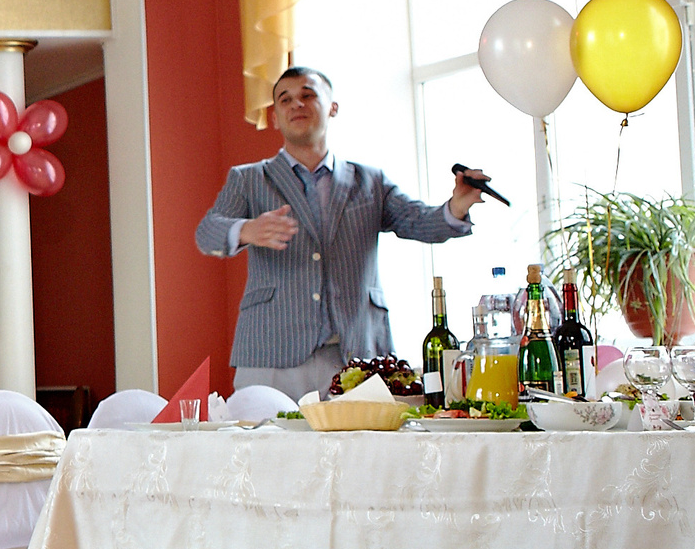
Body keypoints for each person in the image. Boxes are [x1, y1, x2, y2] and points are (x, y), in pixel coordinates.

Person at [196, 65, 482, 397]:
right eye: (284, 100)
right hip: (271, 355)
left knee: (360, 448)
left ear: (332, 107)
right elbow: (207, 233)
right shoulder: (247, 179)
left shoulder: (370, 181)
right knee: (269, 447)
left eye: (308, 95)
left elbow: (417, 221)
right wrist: (247, 229)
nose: (296, 105)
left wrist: (458, 205)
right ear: (275, 117)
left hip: (356, 353)